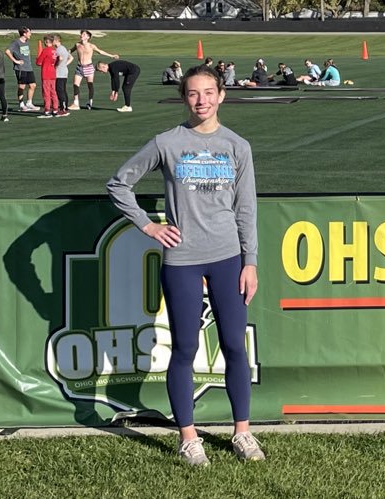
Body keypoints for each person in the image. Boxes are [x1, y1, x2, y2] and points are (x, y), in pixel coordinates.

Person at [105, 64, 264, 467]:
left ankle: (242, 432)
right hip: (182, 261)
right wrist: (147, 225)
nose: (202, 100)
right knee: (186, 348)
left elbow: (246, 210)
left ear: (221, 95)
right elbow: (118, 184)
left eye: (209, 92)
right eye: (193, 93)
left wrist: (251, 262)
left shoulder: (237, 146)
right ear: (183, 98)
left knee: (233, 346)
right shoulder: (166, 143)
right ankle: (188, 436)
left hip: (228, 258)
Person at [69, 30, 118, 110]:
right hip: (79, 67)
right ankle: (76, 103)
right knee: (75, 85)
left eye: (84, 34)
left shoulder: (91, 46)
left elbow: (100, 51)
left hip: (89, 67)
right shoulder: (77, 44)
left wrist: (111, 56)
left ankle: (90, 102)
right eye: (81, 34)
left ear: (88, 37)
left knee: (90, 85)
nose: (82, 35)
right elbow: (70, 51)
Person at [7, 28, 38, 112]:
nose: (30, 34)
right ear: (24, 33)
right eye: (29, 33)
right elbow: (7, 51)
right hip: (20, 68)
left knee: (33, 85)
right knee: (22, 86)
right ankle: (21, 104)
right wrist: (15, 61)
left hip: (29, 67)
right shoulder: (16, 42)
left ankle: (29, 103)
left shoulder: (27, 42)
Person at [36, 34, 59, 118]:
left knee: (46, 92)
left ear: (46, 42)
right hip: (53, 73)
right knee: (53, 92)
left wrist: (38, 58)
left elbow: (38, 62)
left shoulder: (45, 50)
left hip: (46, 73)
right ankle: (55, 108)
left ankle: (47, 109)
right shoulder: (55, 50)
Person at [52, 35, 73, 117]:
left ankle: (63, 109)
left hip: (59, 73)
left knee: (60, 90)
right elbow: (71, 58)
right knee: (63, 90)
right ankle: (65, 107)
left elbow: (60, 59)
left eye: (52, 40)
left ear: (56, 40)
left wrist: (57, 65)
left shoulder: (58, 50)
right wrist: (65, 64)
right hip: (64, 71)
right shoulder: (63, 48)